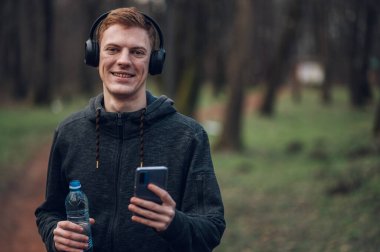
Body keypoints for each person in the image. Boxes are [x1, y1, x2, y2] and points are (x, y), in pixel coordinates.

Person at [35, 7, 225, 252]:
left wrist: (173, 223)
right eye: (112, 49)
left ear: (154, 61)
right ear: (95, 56)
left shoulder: (188, 137)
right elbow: (49, 211)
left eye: (137, 52)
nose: (124, 60)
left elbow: (211, 227)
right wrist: (54, 234)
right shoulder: (69, 133)